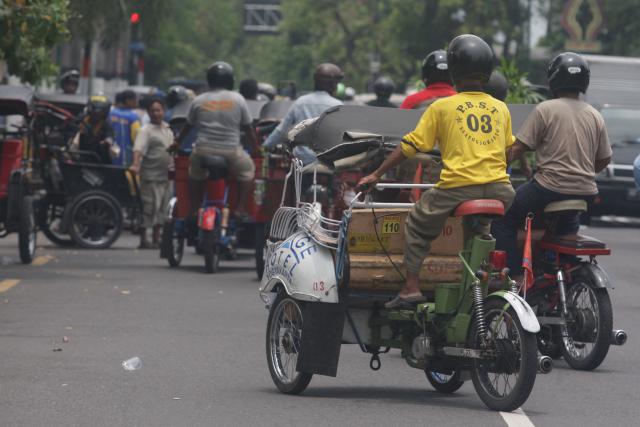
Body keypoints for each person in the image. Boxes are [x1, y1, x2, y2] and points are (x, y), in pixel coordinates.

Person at [357, 34, 516, 308]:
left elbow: (410, 146)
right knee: (480, 231)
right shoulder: (500, 108)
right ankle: (478, 286)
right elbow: (510, 149)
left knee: (417, 224)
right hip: (501, 190)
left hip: (457, 187)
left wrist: (376, 174)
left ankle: (410, 288)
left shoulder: (441, 107)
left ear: (454, 69)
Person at [492, 52, 612, 280]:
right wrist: (584, 173)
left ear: (554, 80)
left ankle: (513, 276)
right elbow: (605, 159)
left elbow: (518, 149)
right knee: (566, 224)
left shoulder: (545, 109)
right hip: (585, 191)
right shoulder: (595, 115)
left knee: (503, 217)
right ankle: (558, 266)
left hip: (548, 188)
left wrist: (495, 167)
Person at [175, 61, 257, 219]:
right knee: (248, 172)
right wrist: (256, 148)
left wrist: (176, 143)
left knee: (194, 174)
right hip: (231, 152)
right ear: (230, 80)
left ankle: (194, 208)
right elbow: (248, 129)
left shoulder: (199, 100)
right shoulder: (238, 99)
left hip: (202, 150)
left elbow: (188, 126)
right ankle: (240, 209)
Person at [262, 63, 343, 150]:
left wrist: (265, 146)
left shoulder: (300, 102)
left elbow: (281, 130)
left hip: (302, 161)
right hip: (327, 159)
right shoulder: (338, 105)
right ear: (335, 84)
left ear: (315, 79)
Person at [130, 99, 174, 249]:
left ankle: (157, 238)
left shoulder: (168, 129)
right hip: (150, 175)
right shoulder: (146, 130)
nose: (156, 113)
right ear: (148, 113)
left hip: (166, 176)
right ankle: (144, 239)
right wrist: (135, 164)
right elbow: (138, 149)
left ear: (164, 111)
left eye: (159, 110)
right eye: (153, 111)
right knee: (149, 207)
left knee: (162, 207)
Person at [71, 95, 118, 164]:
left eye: (100, 113)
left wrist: (107, 142)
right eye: (94, 112)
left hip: (98, 161)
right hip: (78, 158)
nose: (96, 114)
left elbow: (110, 136)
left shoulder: (106, 124)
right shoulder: (81, 120)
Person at [109, 89, 141, 167]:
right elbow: (137, 139)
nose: (136, 102)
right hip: (126, 159)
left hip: (109, 158)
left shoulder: (110, 113)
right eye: (134, 100)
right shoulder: (133, 117)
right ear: (128, 101)